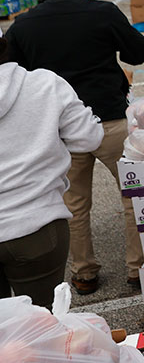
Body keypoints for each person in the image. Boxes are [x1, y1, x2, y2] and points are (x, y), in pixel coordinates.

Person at [5, 0, 144, 294]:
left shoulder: (24, 24)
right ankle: (137, 270)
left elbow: (14, 72)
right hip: (110, 118)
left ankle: (84, 273)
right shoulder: (103, 12)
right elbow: (138, 53)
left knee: (72, 205)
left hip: (58, 129)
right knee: (132, 197)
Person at [0, 32, 104, 307]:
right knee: (44, 327)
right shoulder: (44, 84)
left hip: (33, 221)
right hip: (37, 224)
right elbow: (88, 138)